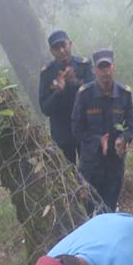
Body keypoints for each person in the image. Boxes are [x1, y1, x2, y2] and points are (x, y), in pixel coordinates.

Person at [71, 49, 133, 212]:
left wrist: (123, 138)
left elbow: (131, 126)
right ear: (94, 71)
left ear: (114, 68)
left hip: (114, 164)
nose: (105, 72)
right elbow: (77, 129)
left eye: (108, 67)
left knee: (109, 209)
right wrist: (98, 140)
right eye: (101, 68)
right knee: (90, 210)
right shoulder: (84, 95)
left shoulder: (124, 94)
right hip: (91, 165)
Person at [38, 29, 94, 164]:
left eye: (64, 45)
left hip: (85, 126)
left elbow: (95, 96)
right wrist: (58, 91)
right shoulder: (47, 73)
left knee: (91, 169)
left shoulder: (84, 65)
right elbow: (45, 109)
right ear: (52, 51)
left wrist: (75, 83)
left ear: (70, 44)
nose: (61, 50)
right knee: (69, 174)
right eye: (56, 48)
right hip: (62, 132)